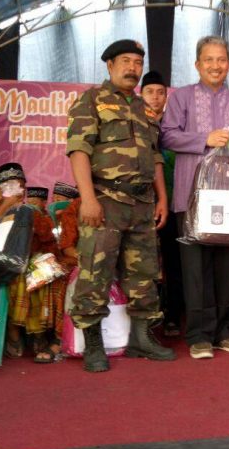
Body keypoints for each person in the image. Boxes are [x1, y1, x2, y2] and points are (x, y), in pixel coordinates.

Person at [67, 39, 174, 372]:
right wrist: (88, 199)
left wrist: (162, 198)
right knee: (95, 273)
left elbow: (156, 157)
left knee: (144, 274)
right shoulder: (91, 100)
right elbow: (79, 150)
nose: (132, 68)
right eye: (125, 61)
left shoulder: (144, 109)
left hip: (142, 204)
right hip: (105, 200)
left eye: (138, 62)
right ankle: (93, 345)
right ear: (110, 65)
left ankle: (141, 339)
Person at [160, 35, 229, 359]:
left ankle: (224, 331)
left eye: (221, 60)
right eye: (209, 59)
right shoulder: (181, 98)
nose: (216, 65)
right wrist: (205, 138)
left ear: (228, 64)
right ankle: (198, 335)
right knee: (194, 269)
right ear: (197, 64)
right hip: (190, 196)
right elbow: (167, 135)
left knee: (226, 268)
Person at [0, 163, 64, 364]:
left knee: (45, 271)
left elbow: (49, 243)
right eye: (10, 186)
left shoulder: (31, 212)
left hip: (29, 261)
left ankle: (39, 333)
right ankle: (13, 332)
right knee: (16, 273)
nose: (18, 191)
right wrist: (5, 207)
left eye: (20, 187)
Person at [141, 70, 184, 337]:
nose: (155, 97)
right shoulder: (133, 122)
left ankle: (173, 315)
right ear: (141, 94)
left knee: (173, 261)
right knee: (142, 263)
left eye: (160, 92)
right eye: (150, 92)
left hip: (171, 204)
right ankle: (144, 317)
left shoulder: (174, 126)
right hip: (139, 204)